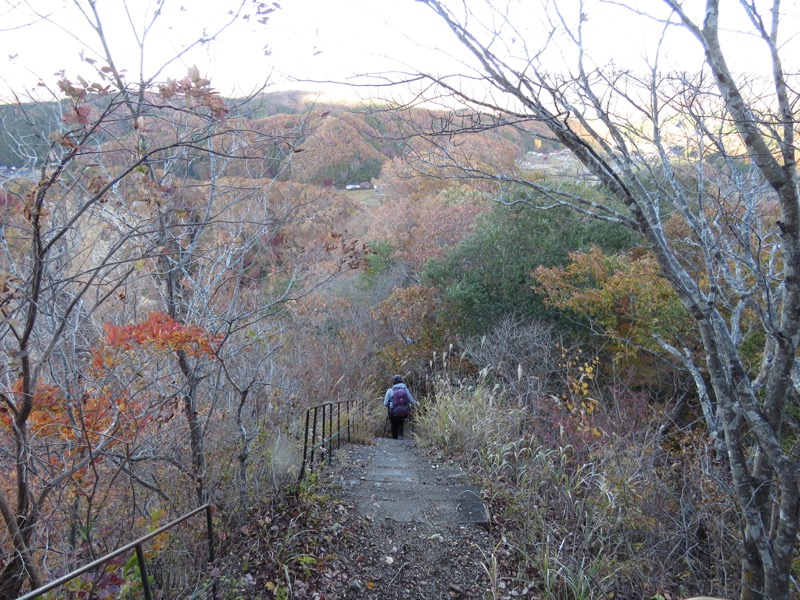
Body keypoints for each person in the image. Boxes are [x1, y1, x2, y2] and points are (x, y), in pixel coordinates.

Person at [383, 374, 417, 440]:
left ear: (393, 382)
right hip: (403, 413)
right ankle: (400, 436)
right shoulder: (405, 390)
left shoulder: (390, 390)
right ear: (401, 381)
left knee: (393, 424)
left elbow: (385, 404)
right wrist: (417, 404)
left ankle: (394, 439)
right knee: (401, 423)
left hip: (392, 413)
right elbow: (411, 400)